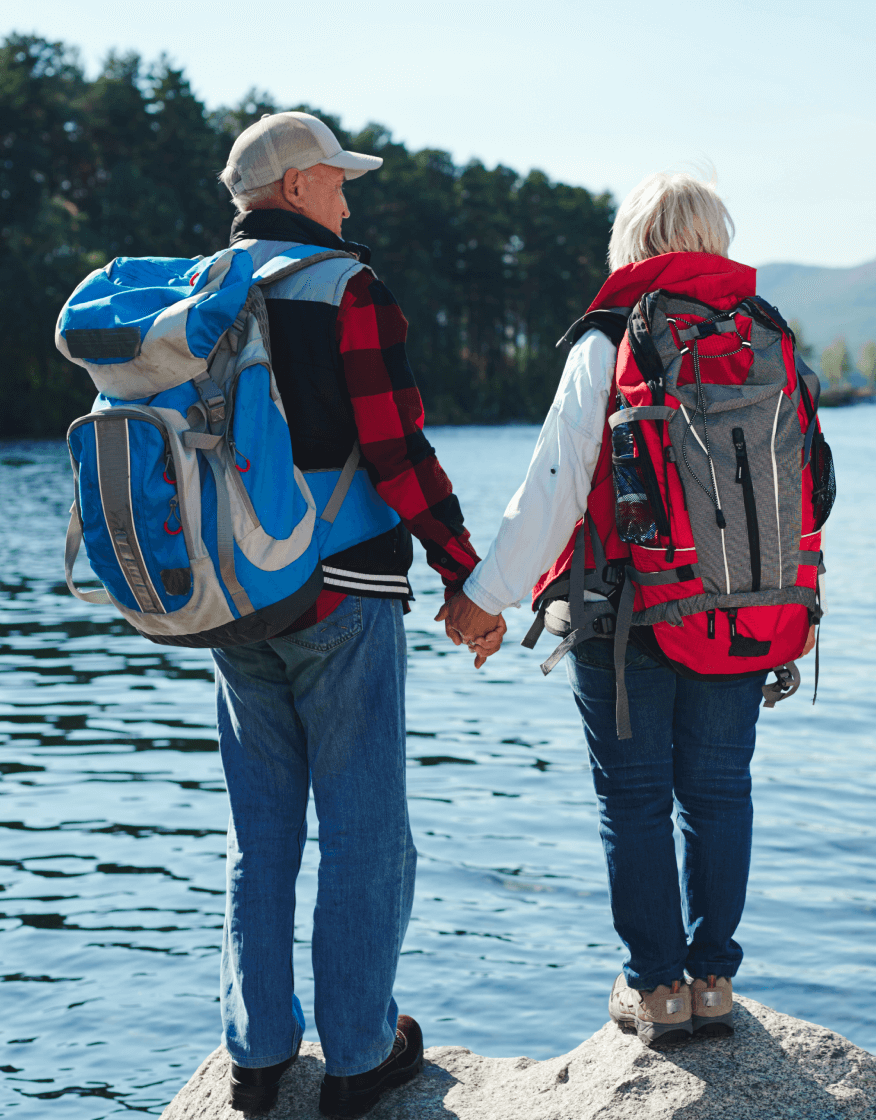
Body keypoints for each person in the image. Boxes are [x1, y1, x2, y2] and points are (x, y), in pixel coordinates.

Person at [441, 172, 820, 1047]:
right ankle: (715, 981)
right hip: (744, 610)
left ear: (631, 245)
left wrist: (482, 598)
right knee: (721, 794)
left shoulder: (612, 339)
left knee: (637, 799)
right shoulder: (767, 340)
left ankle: (657, 990)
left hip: (623, 617)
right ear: (713, 239)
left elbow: (553, 487)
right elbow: (810, 490)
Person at [210, 111, 500, 1118]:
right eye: (336, 179)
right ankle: (360, 1056)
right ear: (293, 188)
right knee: (366, 830)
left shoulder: (203, 288)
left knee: (261, 833)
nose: (348, 195)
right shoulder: (345, 288)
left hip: (231, 600)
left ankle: (255, 1054)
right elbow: (396, 445)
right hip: (341, 592)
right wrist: (466, 573)